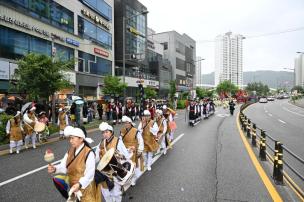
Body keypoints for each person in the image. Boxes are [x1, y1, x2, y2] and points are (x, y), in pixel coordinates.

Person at [48, 126, 99, 201]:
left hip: (85, 188)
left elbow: (90, 173)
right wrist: (55, 168)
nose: (70, 141)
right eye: (70, 138)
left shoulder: (89, 152)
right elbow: (64, 166)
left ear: (81, 139)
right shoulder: (70, 151)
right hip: (73, 187)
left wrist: (80, 184)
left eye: (73, 138)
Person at [95, 122, 131, 202]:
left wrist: (120, 157)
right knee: (105, 192)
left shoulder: (117, 141)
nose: (104, 134)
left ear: (111, 132)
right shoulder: (101, 142)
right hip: (104, 170)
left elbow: (125, 155)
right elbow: (97, 156)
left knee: (116, 192)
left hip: (115, 170)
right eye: (103, 132)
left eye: (106, 132)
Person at [120, 116, 144, 186]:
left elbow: (141, 141)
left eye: (127, 123)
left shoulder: (136, 131)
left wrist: (140, 150)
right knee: (125, 165)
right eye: (125, 123)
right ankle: (127, 178)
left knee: (133, 165)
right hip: (125, 150)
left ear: (130, 123)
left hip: (133, 150)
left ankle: (133, 179)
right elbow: (120, 141)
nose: (126, 124)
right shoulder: (122, 130)